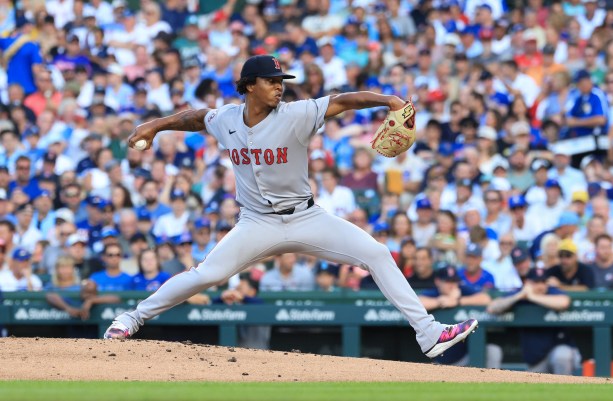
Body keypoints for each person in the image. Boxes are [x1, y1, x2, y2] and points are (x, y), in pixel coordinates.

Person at [104, 55, 478, 359]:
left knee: (377, 253)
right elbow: (196, 117)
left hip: (306, 217)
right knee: (206, 275)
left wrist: (389, 101)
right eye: (271, 80)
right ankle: (131, 318)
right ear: (250, 85)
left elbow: (343, 101)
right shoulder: (228, 119)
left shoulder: (297, 114)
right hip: (256, 223)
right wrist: (155, 125)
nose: (279, 86)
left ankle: (428, 333)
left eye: (281, 80)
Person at [487, 268, 580, 375]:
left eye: (543, 282)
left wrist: (532, 297)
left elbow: (564, 302)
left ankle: (565, 391)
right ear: (527, 283)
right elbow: (492, 308)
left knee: (561, 356)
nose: (541, 286)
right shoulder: (520, 293)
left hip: (558, 353)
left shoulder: (551, 291)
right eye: (536, 282)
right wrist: (518, 296)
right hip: (536, 363)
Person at [418, 266, 501, 368]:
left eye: (454, 281)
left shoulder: (462, 290)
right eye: (448, 282)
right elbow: (418, 303)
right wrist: (441, 302)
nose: (453, 285)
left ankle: (488, 382)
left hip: (466, 357)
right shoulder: (434, 292)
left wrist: (458, 301)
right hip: (439, 362)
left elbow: (485, 299)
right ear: (438, 281)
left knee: (493, 351)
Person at [46, 279, 121, 321]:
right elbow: (50, 296)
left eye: (90, 293)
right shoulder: (73, 302)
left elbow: (116, 299)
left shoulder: (99, 302)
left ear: (96, 293)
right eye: (85, 292)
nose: (87, 295)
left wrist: (91, 301)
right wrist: (67, 308)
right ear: (81, 292)